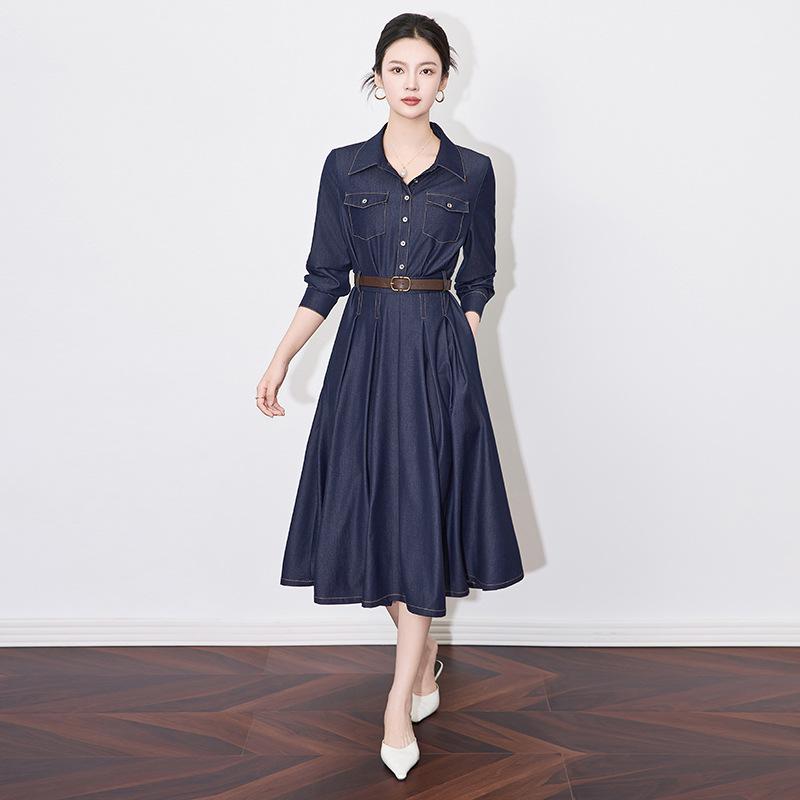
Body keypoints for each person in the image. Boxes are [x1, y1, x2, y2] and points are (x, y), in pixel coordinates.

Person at [255, 13, 524, 780]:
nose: (412, 83)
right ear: (378, 78)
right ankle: (424, 654)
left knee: (425, 514)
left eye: (426, 70)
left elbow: (480, 276)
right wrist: (280, 358)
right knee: (372, 510)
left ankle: (397, 703)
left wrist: (460, 333)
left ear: (445, 79)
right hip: (365, 356)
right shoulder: (345, 169)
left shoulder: (473, 173)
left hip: (438, 359)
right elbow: (323, 278)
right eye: (399, 69)